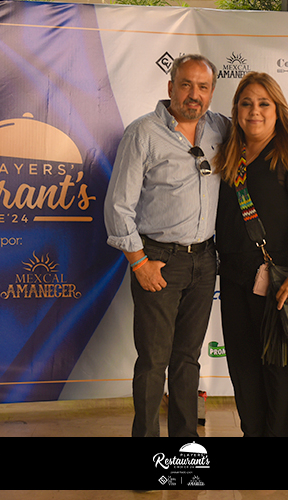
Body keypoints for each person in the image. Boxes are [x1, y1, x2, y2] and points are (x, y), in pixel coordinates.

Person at [104, 54, 229, 437]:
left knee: (187, 360)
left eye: (203, 87)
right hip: (158, 260)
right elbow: (118, 206)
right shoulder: (142, 133)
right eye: (186, 84)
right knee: (153, 362)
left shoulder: (220, 128)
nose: (194, 94)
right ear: (171, 87)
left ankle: (184, 447)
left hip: (205, 261)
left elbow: (267, 130)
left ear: (211, 92)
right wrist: (139, 263)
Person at [214, 72, 288, 437]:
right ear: (236, 110)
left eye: (264, 104)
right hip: (235, 282)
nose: (255, 111)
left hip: (281, 285)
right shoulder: (229, 153)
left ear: (278, 110)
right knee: (245, 375)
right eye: (246, 103)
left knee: (283, 378)